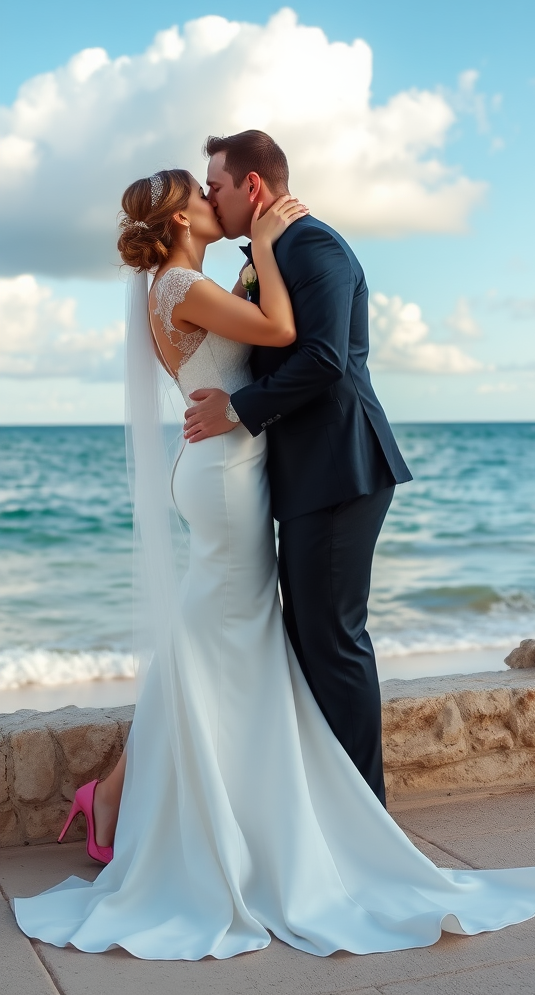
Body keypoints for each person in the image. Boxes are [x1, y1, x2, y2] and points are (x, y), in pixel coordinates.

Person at [13, 165, 535, 960]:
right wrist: (267, 247)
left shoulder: (180, 282)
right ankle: (158, 807)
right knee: (223, 626)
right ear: (179, 217)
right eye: (198, 195)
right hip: (226, 474)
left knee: (216, 629)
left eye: (213, 185)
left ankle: (123, 797)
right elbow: (277, 333)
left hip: (225, 468)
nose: (209, 199)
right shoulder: (182, 286)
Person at [184, 130, 413, 805]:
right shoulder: (272, 255)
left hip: (341, 468)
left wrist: (238, 409)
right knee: (309, 638)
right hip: (309, 476)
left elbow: (324, 358)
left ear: (252, 187)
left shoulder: (313, 246)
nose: (208, 197)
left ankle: (363, 815)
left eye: (216, 186)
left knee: (333, 641)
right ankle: (330, 810)